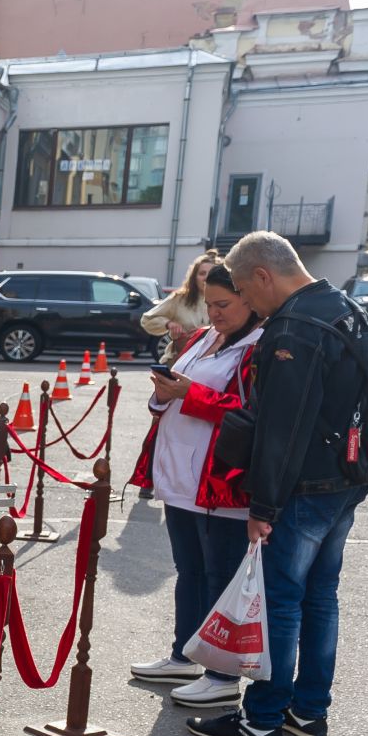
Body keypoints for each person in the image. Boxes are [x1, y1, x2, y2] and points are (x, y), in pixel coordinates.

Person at [186, 232, 368, 736]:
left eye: (248, 293)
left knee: (279, 603)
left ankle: (262, 720)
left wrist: (263, 505)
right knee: (321, 598)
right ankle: (309, 712)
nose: (250, 304)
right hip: (348, 479)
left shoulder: (293, 328)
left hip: (303, 487)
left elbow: (282, 428)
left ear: (263, 276)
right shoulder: (351, 310)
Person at [128, 263, 264, 708]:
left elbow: (251, 415)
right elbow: (175, 393)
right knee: (189, 572)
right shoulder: (206, 337)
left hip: (220, 486)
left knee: (217, 578)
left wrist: (188, 394)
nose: (214, 312)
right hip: (182, 480)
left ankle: (221, 675)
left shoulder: (259, 346)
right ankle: (183, 654)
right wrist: (163, 393)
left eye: (223, 304)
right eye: (209, 304)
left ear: (249, 298)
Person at [140, 252, 219, 365]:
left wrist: (207, 331)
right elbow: (147, 319)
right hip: (180, 360)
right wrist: (168, 324)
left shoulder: (227, 300)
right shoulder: (179, 299)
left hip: (214, 361)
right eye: (202, 273)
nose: (206, 278)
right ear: (194, 277)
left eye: (210, 273)